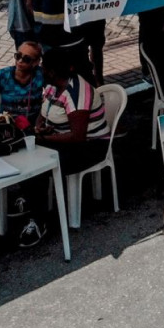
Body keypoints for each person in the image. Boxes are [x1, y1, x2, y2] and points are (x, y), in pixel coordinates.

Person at [23, 47, 111, 246]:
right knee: (28, 155)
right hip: (62, 140)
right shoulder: (53, 87)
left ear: (53, 72)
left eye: (44, 67)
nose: (42, 70)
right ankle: (32, 203)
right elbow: (43, 112)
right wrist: (39, 127)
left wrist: (45, 139)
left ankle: (38, 219)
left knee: (40, 165)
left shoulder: (77, 92)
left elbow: (77, 136)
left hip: (90, 147)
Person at [0, 41, 45, 127]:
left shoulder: (41, 74)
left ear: (36, 62)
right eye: (18, 56)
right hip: (8, 124)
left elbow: (53, 93)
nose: (20, 61)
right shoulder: (3, 75)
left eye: (26, 59)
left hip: (34, 124)